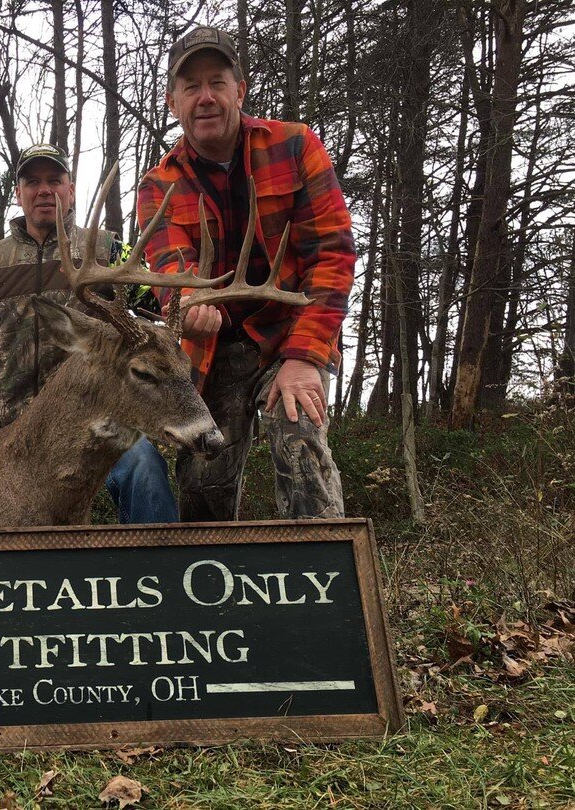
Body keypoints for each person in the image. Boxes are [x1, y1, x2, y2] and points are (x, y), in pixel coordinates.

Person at [137, 26, 353, 520]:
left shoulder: (296, 147)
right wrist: (187, 306)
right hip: (213, 352)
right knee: (202, 488)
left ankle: (325, 579)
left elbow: (332, 255)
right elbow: (170, 267)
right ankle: (203, 589)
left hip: (287, 335)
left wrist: (304, 358)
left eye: (217, 82)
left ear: (241, 89)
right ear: (174, 102)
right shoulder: (158, 185)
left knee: (300, 440)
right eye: (191, 87)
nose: (206, 97)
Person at [0, 143, 186, 524]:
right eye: (33, 182)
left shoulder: (107, 250)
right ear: (19, 193)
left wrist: (193, 308)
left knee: (144, 471)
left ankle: (159, 571)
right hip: (10, 432)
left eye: (54, 180)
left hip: (95, 421)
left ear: (70, 189)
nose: (44, 190)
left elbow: (163, 303)